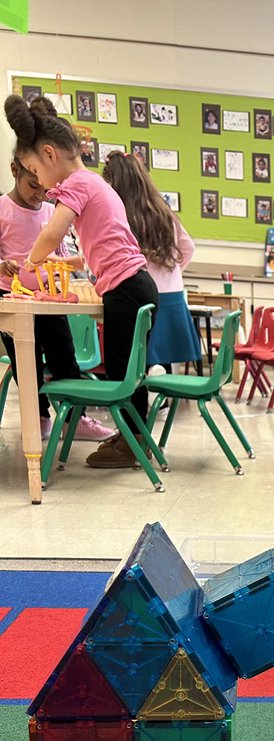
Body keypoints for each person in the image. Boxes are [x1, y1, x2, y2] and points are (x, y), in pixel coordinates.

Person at [4, 93, 159, 469]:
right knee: (130, 372)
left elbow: (51, 234)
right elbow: (105, 243)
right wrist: (74, 260)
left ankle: (131, 443)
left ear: (49, 154)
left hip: (126, 289)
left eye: (36, 170)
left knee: (123, 372)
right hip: (137, 283)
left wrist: (32, 259)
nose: (40, 181)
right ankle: (134, 438)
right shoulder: (96, 184)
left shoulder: (76, 185)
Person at [0, 157, 112, 440]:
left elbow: (61, 254)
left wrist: (69, 263)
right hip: (14, 301)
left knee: (64, 355)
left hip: (50, 298)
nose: (39, 193)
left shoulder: (52, 212)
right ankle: (38, 418)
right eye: (32, 186)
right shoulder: (2, 209)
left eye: (43, 188)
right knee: (26, 363)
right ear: (15, 170)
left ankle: (75, 419)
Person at [101, 151, 201, 371]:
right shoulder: (162, 211)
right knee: (161, 358)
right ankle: (160, 399)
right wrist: (173, 271)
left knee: (136, 358)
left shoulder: (121, 213)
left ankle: (147, 394)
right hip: (172, 294)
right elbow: (188, 246)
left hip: (139, 294)